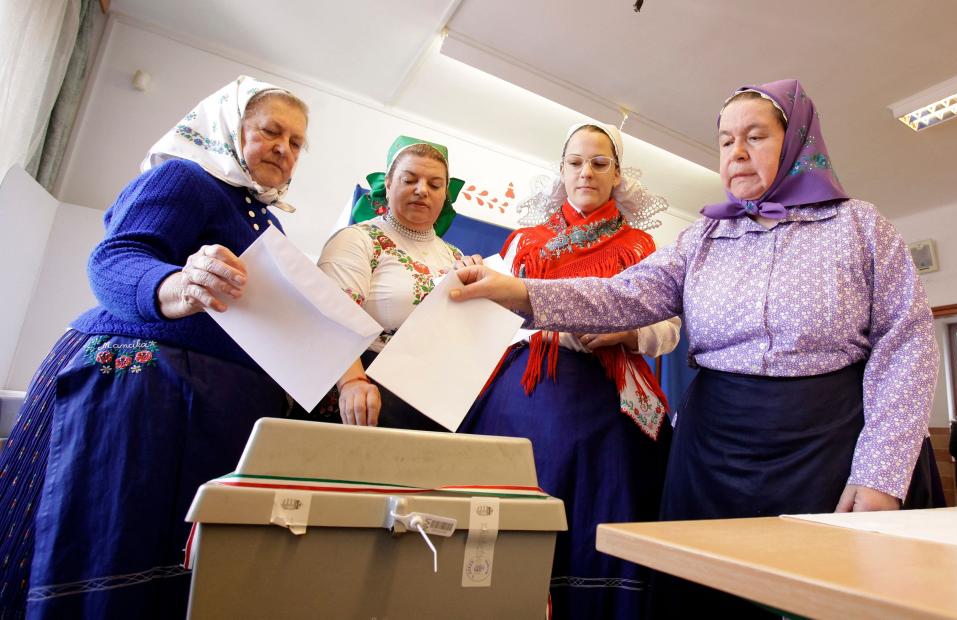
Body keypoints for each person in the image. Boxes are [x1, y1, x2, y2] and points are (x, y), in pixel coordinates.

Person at [451, 79, 944, 617]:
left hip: (826, 442)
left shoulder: (859, 225)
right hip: (714, 448)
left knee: (825, 591)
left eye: (755, 136)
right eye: (726, 140)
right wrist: (517, 291)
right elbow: (624, 295)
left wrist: (880, 474)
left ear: (799, 143)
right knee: (706, 595)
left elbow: (907, 344)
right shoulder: (703, 236)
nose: (736, 152)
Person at [0, 75, 309, 619]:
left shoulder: (266, 219)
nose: (283, 149)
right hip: (135, 393)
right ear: (230, 127)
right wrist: (176, 286)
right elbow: (115, 259)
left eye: (296, 143)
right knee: (94, 553)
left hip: (203, 411)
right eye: (271, 132)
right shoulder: (187, 178)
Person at [458, 122, 680, 619]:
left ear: (617, 175)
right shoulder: (523, 242)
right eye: (576, 162)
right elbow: (495, 319)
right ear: (561, 171)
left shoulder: (641, 246)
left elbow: (669, 328)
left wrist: (627, 334)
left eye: (600, 163)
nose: (587, 172)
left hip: (605, 396)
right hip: (527, 388)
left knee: (601, 499)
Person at [301, 135, 481, 430]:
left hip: (429, 400)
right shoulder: (359, 239)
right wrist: (352, 383)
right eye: (410, 180)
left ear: (446, 194)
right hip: (362, 393)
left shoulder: (455, 256)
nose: (422, 191)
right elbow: (330, 314)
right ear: (388, 183)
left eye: (434, 185)